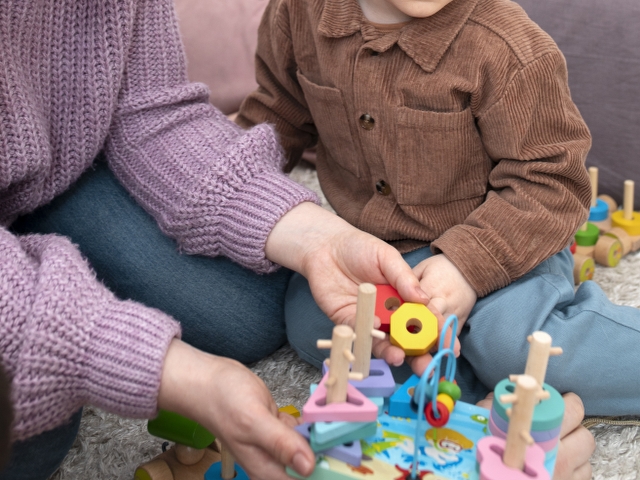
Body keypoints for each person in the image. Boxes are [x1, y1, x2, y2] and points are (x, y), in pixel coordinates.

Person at [0, 1, 435, 479]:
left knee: (247, 308)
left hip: (53, 169)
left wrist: (318, 237)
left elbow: (153, 111)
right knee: (31, 427)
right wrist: (173, 372)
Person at [235, 0, 619, 477]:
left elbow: (551, 184)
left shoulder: (507, 46)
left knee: (511, 342)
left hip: (507, 243)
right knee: (318, 325)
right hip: (375, 256)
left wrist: (466, 266)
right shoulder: (299, 12)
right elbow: (276, 116)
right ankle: (464, 378)